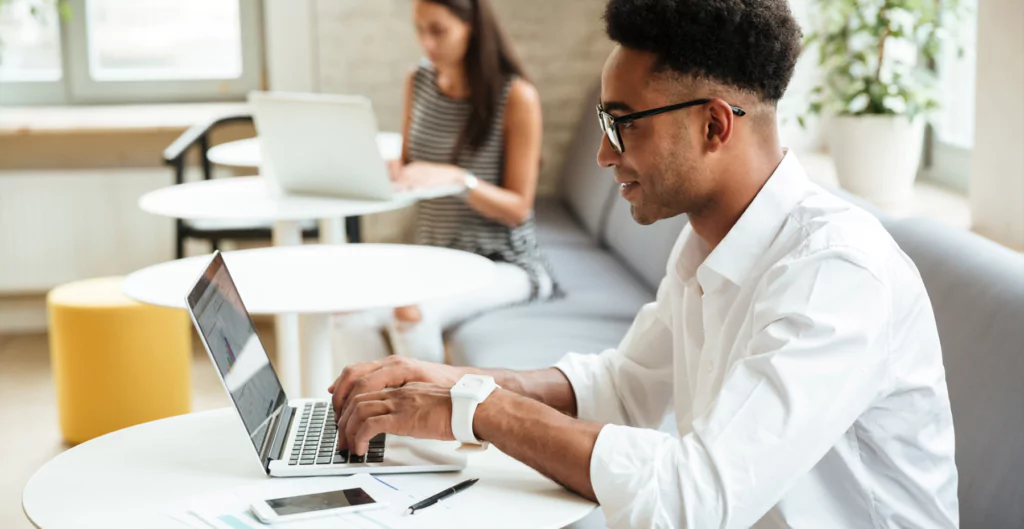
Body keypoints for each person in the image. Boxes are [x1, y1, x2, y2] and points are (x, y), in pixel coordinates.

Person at [327, 0, 960, 526]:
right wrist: (444, 383)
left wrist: (479, 407)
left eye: (621, 123)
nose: (605, 155)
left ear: (714, 126)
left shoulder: (835, 275)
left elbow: (693, 497)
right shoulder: (705, 242)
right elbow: (625, 387)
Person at [332, 0, 557, 365]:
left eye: (438, 30)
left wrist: (459, 179)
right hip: (435, 256)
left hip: (503, 263)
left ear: (472, 27)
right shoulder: (418, 81)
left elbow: (518, 208)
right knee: (346, 309)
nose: (427, 43)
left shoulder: (516, 97)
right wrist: (388, 170)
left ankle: (425, 420)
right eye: (420, 30)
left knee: (410, 312)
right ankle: (369, 419)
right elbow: (409, 163)